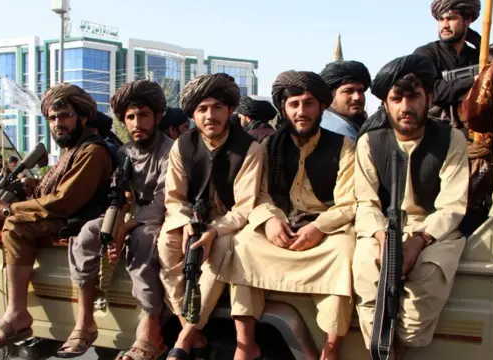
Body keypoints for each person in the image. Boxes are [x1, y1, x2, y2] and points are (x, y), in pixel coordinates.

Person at [218, 70, 356, 360]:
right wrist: (269, 220)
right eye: (294, 104)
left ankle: (330, 347)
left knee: (345, 251)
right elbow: (259, 194)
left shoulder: (343, 146)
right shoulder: (270, 146)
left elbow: (348, 202)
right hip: (282, 224)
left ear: (322, 107)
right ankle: (246, 344)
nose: (301, 112)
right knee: (243, 245)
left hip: (324, 230)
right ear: (284, 108)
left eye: (308, 104)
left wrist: (319, 227)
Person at [0, 83, 114, 353]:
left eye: (65, 116)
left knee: (13, 223)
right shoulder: (71, 151)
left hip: (79, 221)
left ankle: (17, 313)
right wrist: (28, 186)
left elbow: (64, 201)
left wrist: (7, 209)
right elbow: (50, 190)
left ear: (82, 117)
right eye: (52, 118)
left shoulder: (93, 152)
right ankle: (10, 303)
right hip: (64, 217)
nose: (58, 123)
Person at [352, 54, 470, 360]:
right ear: (385, 105)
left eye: (414, 97)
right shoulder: (369, 143)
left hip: (434, 231)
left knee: (427, 276)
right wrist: (382, 240)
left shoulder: (450, 139)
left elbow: (452, 205)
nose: (406, 107)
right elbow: (365, 202)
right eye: (397, 99)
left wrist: (418, 241)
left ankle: (403, 345)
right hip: (383, 230)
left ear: (428, 98)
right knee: (366, 269)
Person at [58, 80, 172, 359]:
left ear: (157, 116)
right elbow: (120, 195)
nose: (137, 123)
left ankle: (151, 326)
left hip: (164, 216)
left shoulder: (172, 150)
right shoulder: (124, 153)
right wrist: (116, 220)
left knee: (143, 241)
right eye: (130, 117)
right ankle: (85, 320)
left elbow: (163, 200)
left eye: (144, 115)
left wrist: (125, 227)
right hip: (130, 215)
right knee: (86, 233)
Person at [157, 73, 264, 360]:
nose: (210, 115)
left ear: (230, 110)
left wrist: (213, 230)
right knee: (167, 245)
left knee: (219, 250)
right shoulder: (183, 145)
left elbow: (244, 206)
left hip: (228, 222)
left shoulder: (249, 149)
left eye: (217, 107)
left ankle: (185, 336)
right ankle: (192, 331)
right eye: (202, 109)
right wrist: (186, 225)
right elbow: (175, 198)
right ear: (193, 114)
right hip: (190, 217)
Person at [414, 0, 482, 125]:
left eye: (451, 18)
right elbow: (429, 92)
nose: (445, 25)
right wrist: (474, 80)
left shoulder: (477, 57)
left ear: (467, 20)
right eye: (441, 19)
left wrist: (480, 43)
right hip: (434, 132)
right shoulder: (425, 54)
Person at [319, 60, 372, 139]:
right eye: (348, 91)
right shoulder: (338, 129)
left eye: (360, 91)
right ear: (330, 95)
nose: (357, 97)